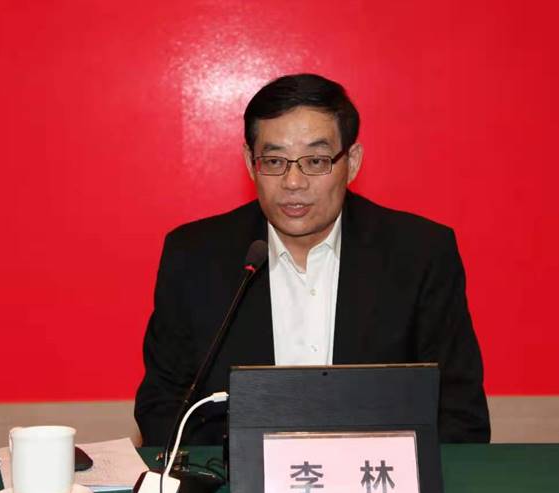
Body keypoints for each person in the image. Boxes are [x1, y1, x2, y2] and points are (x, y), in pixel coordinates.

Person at [135, 73, 490, 446]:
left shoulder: (419, 254)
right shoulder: (195, 256)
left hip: (379, 478)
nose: (293, 182)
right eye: (274, 161)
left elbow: (458, 412)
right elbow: (163, 405)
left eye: (316, 161)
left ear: (352, 162)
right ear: (250, 163)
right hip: (233, 479)